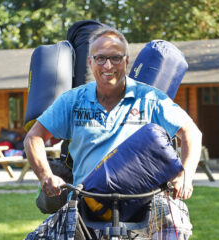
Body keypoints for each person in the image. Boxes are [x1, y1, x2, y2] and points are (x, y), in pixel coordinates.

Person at [24, 26, 202, 238]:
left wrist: (185, 176)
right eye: (100, 58)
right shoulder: (72, 101)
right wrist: (45, 175)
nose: (108, 65)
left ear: (126, 62)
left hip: (144, 204)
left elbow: (192, 133)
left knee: (177, 225)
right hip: (86, 203)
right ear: (90, 62)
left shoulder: (151, 98)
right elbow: (34, 137)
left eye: (115, 58)